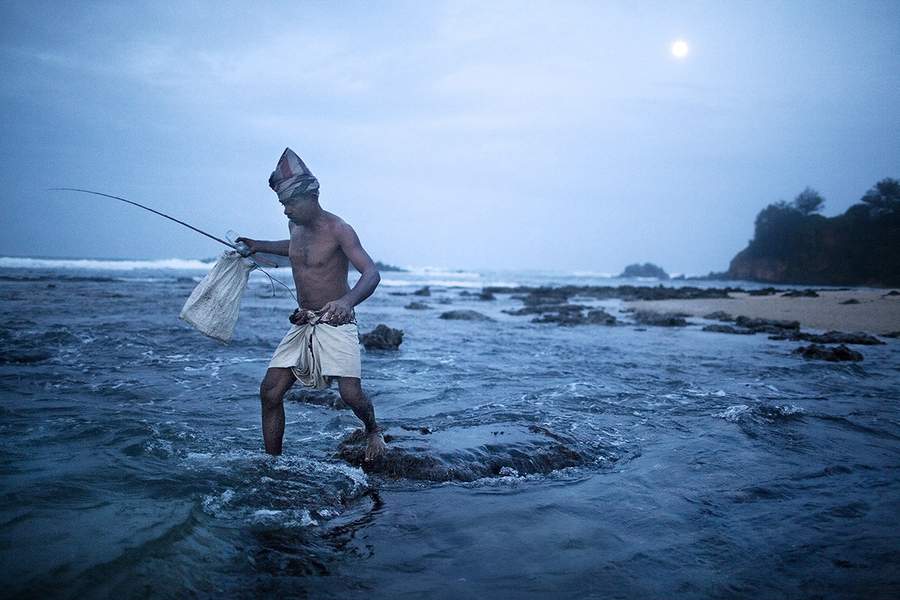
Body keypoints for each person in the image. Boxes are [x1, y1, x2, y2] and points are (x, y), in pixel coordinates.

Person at [237, 148, 386, 460]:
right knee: (270, 391)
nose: (285, 211)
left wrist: (347, 301)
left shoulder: (339, 230)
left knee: (350, 394)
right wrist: (258, 245)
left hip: (337, 322)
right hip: (304, 322)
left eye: (290, 203)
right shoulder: (295, 227)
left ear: (310, 197)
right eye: (282, 204)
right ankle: (272, 463)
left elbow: (371, 273)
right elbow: (296, 249)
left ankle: (373, 431)